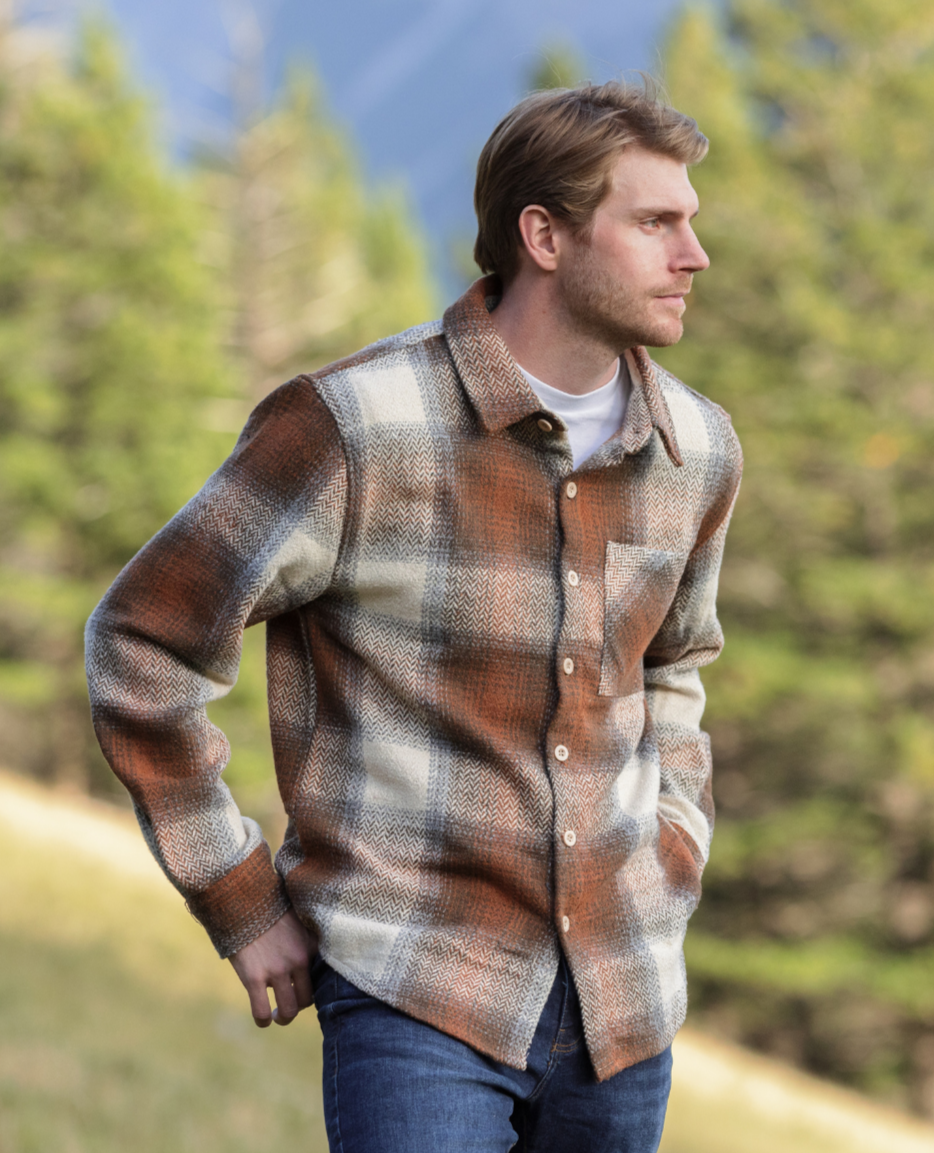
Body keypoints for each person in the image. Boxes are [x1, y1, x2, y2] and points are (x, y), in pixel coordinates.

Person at [86, 78, 741, 1153]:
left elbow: (675, 665)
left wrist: (675, 842)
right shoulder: (354, 425)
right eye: (655, 222)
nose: (693, 255)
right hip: (415, 986)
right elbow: (143, 643)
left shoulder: (699, 451)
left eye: (691, 222)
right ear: (543, 234)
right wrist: (240, 897)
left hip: (624, 1011)